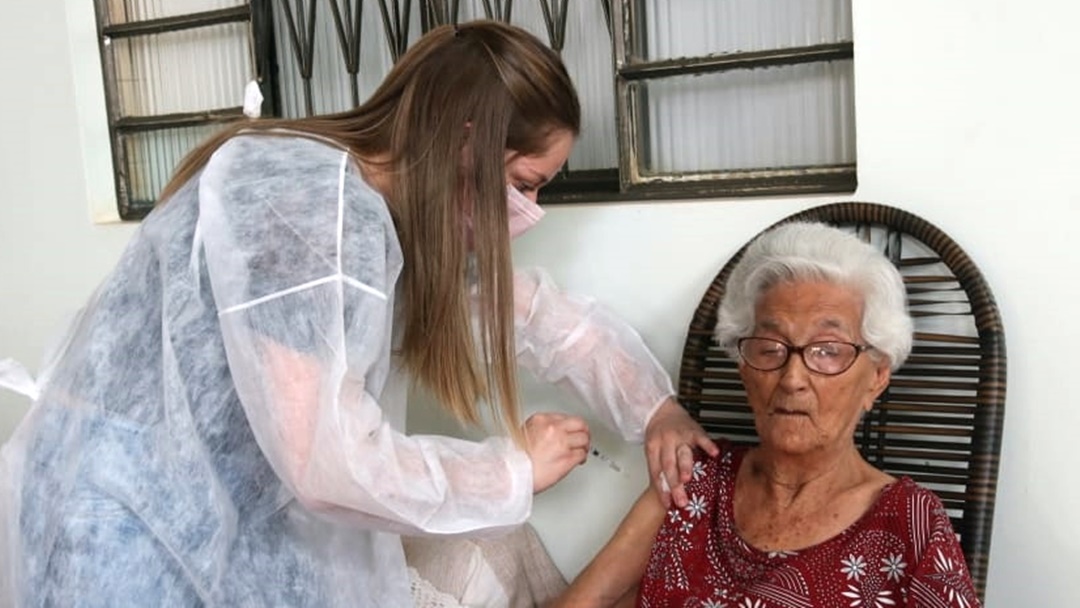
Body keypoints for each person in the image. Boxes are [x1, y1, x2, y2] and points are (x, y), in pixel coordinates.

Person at [0, 20, 716, 607]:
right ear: (466, 144)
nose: (527, 213)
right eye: (524, 184)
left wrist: (653, 409)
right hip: (126, 528)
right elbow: (327, 462)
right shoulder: (309, 207)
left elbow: (521, 314)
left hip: (197, 521)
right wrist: (510, 472)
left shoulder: (385, 222)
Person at [553, 222, 983, 608]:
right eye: (771, 348)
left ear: (876, 377)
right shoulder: (692, 480)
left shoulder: (911, 525)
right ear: (744, 366)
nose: (793, 377)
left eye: (828, 351)